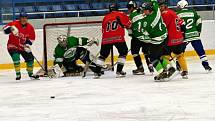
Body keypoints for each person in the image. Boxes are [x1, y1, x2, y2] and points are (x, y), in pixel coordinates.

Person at [140, 0, 177, 81]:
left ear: (147, 10)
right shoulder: (157, 11)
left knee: (153, 58)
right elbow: (154, 2)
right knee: (159, 56)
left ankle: (162, 72)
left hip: (157, 40)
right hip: (165, 36)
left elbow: (145, 33)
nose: (143, 11)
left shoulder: (146, 21)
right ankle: (169, 67)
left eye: (144, 10)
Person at [97, 3, 132, 78]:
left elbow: (103, 29)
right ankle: (119, 71)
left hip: (106, 38)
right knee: (123, 52)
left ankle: (97, 72)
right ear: (117, 8)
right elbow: (129, 24)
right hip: (118, 37)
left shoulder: (106, 17)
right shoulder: (121, 14)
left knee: (103, 55)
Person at [177, 0, 212, 72]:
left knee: (180, 52)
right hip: (194, 34)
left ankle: (178, 66)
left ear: (181, 6)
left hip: (184, 36)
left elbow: (177, 25)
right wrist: (198, 32)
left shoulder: (177, 14)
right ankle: (206, 66)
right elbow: (199, 22)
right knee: (200, 50)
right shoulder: (193, 12)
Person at [3, 12, 39, 80]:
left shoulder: (30, 27)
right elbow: (4, 30)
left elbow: (31, 39)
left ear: (27, 19)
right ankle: (18, 74)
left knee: (31, 59)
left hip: (23, 46)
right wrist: (10, 29)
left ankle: (31, 74)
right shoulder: (14, 24)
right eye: (22, 18)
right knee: (16, 57)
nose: (24, 19)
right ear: (19, 18)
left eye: (25, 18)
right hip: (12, 45)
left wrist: (27, 45)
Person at [158, 0, 188, 79]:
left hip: (171, 38)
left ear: (165, 6)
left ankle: (169, 71)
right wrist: (183, 36)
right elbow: (183, 25)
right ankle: (185, 71)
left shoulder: (165, 13)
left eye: (161, 6)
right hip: (179, 38)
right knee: (180, 55)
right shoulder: (173, 12)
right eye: (159, 6)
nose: (160, 8)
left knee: (164, 56)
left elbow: (163, 26)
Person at [127, 0, 154, 75]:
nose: (128, 9)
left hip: (137, 37)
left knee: (135, 53)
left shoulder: (131, 15)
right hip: (146, 36)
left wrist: (131, 34)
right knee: (146, 52)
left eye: (129, 7)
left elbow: (129, 28)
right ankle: (150, 67)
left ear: (132, 7)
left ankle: (140, 68)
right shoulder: (143, 12)